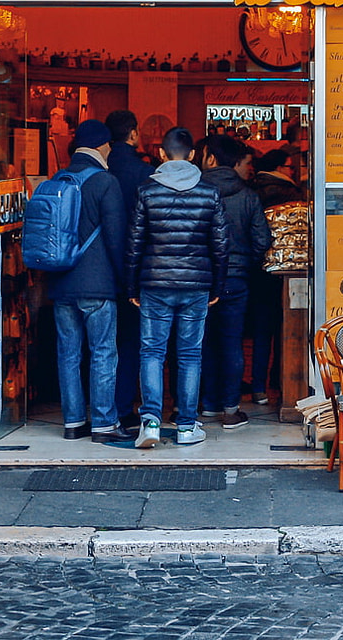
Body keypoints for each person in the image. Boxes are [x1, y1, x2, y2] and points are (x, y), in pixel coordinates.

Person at [126, 127, 230, 447]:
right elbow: (221, 245)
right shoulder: (209, 192)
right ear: (194, 155)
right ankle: (186, 427)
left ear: (160, 153)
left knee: (152, 353)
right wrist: (217, 287)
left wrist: (132, 287)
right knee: (190, 356)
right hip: (197, 284)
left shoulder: (146, 191)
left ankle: (152, 424)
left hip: (154, 284)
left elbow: (134, 245)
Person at [44, 120, 134, 445]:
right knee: (103, 353)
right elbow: (115, 238)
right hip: (97, 285)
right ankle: (104, 423)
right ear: (101, 145)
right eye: (109, 144)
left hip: (61, 283)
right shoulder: (105, 182)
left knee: (68, 354)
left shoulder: (57, 179)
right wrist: (127, 283)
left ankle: (73, 421)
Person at [198, 136, 273, 429]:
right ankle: (231, 410)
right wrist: (243, 264)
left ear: (211, 158)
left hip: (201, 278)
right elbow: (262, 240)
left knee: (202, 343)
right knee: (232, 343)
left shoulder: (196, 190)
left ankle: (206, 405)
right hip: (236, 278)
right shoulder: (248, 194)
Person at [104, 109, 155, 429]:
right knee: (132, 341)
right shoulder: (144, 173)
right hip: (135, 267)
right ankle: (124, 406)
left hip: (98, 267)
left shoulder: (100, 170)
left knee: (98, 344)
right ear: (133, 135)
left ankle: (99, 409)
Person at [245, 149, 304, 404]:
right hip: (287, 272)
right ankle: (281, 382)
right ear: (280, 168)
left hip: (256, 272)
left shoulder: (251, 191)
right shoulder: (290, 194)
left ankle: (258, 386)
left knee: (260, 332)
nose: (294, 171)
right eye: (290, 166)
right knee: (287, 329)